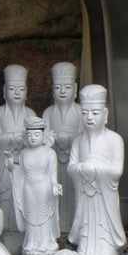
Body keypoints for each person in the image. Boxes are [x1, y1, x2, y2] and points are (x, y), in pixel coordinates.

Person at [67, 84, 126, 255]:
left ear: (105, 113)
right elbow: (71, 167)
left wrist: (94, 167)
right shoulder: (78, 140)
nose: (89, 117)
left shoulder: (115, 140)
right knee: (86, 224)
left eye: (94, 113)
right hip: (85, 194)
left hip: (104, 195)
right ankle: (84, 254)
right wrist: (82, 168)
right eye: (85, 113)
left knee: (103, 225)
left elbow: (117, 171)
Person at [6, 116, 61, 255]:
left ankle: (45, 243)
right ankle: (31, 243)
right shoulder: (23, 153)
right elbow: (20, 172)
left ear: (43, 136)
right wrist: (11, 166)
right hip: (28, 187)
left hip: (44, 187)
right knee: (30, 216)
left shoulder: (49, 153)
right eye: (30, 135)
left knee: (44, 216)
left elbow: (52, 175)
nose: (33, 138)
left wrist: (55, 186)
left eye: (37, 135)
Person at [0, 64, 37, 231]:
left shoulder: (30, 114)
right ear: (4, 91)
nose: (17, 93)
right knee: (5, 193)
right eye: (12, 88)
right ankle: (3, 227)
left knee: (24, 193)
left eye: (21, 89)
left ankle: (23, 228)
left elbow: (36, 139)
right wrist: (12, 137)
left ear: (26, 92)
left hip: (24, 163)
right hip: (4, 162)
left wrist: (24, 139)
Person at [42, 62, 82, 233]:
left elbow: (84, 138)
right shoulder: (48, 113)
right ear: (52, 90)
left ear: (75, 88)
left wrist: (68, 138)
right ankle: (56, 228)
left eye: (67, 87)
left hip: (74, 161)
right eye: (58, 87)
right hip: (55, 163)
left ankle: (74, 228)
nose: (63, 91)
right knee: (54, 194)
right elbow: (43, 139)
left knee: (74, 194)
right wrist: (52, 140)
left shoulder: (81, 111)